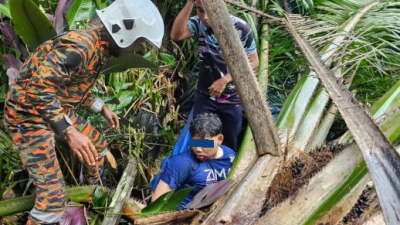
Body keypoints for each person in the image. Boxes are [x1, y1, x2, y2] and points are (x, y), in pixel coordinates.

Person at [3, 0, 164, 224]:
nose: (137, 50)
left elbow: (74, 84)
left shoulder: (99, 47)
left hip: (55, 110)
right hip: (28, 116)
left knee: (96, 145)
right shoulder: (81, 47)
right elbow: (38, 88)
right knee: (52, 200)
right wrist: (69, 132)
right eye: (138, 43)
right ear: (124, 33)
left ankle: (90, 196)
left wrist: (102, 107)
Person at [170, 0, 259, 151]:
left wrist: (225, 80)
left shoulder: (240, 28)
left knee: (229, 142)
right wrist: (190, 3)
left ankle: (221, 166)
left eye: (208, 11)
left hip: (233, 99)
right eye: (200, 10)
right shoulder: (198, 24)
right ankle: (204, 167)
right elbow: (176, 35)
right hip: (205, 96)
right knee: (198, 143)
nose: (204, 17)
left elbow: (254, 61)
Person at [152, 113, 236, 209]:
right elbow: (156, 201)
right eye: (194, 142)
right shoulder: (182, 162)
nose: (198, 149)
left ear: (219, 139)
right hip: (184, 215)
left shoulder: (230, 156)